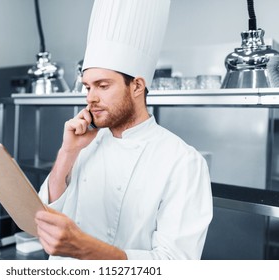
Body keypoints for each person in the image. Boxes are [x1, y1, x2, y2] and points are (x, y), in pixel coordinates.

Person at [35, 0, 213, 260]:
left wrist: (86, 248)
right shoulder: (84, 142)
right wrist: (67, 153)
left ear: (137, 86)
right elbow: (46, 215)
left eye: (103, 85)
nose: (90, 98)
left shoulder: (182, 162)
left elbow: (176, 264)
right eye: (87, 87)